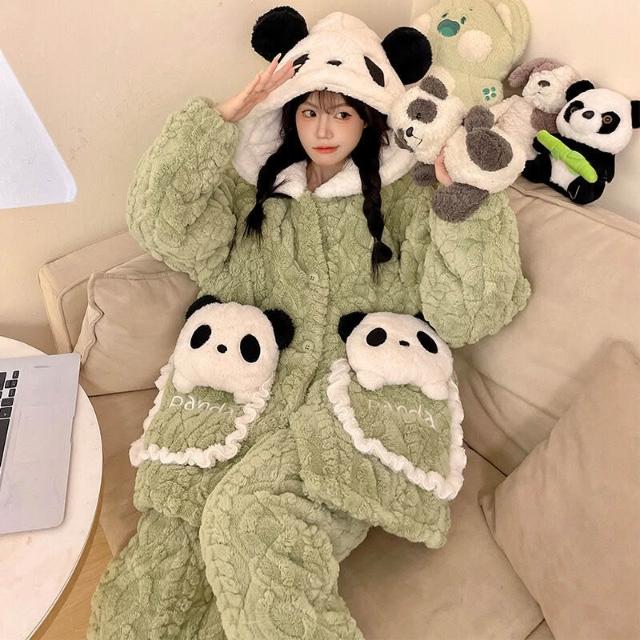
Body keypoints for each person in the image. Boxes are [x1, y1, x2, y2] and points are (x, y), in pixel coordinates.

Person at [89, 8, 530, 639]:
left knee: (251, 518)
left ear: (368, 116)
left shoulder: (406, 202)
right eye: (309, 110)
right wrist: (224, 116)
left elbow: (470, 310)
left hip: (350, 414)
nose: (324, 129)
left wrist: (463, 201)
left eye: (343, 112)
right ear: (289, 114)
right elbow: (161, 221)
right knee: (157, 566)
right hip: (241, 400)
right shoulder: (255, 199)